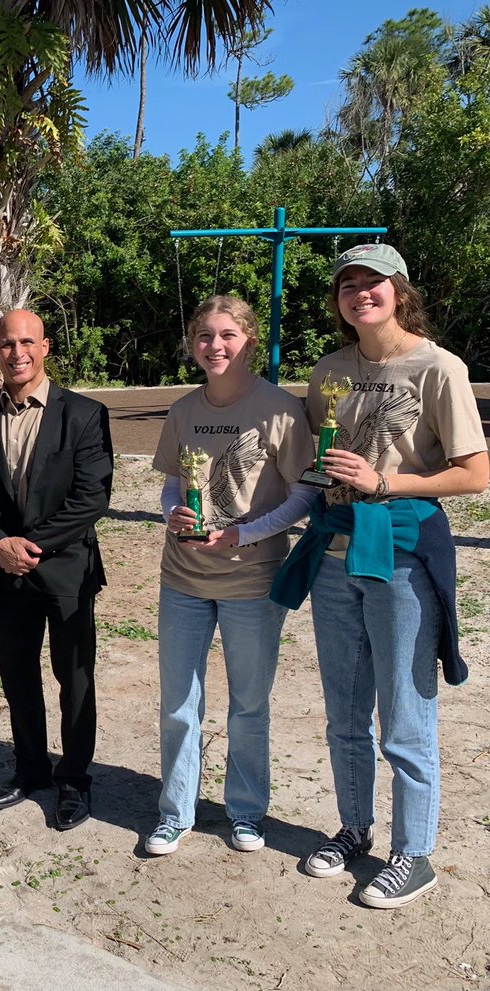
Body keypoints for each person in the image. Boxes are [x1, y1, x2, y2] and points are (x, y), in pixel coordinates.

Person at [271, 244, 488, 908]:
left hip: (399, 555)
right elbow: (313, 459)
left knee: (404, 715)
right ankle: (354, 829)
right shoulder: (329, 369)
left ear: (398, 289)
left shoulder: (438, 368)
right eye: (347, 286)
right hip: (335, 555)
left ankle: (413, 852)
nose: (359, 294)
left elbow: (475, 471)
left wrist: (384, 480)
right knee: (344, 714)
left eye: (373, 283)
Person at [144, 296, 316, 857]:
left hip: (251, 581)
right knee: (178, 703)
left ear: (247, 338)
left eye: (226, 335)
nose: (214, 346)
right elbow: (173, 480)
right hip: (184, 580)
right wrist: (172, 510)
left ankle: (245, 811)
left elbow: (305, 494)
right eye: (203, 336)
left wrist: (248, 532)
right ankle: (175, 812)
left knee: (248, 704)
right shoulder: (183, 410)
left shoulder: (280, 409)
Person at [0, 309, 113, 831]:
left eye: (26, 342)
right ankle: (29, 770)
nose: (16, 352)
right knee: (17, 679)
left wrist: (30, 546)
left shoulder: (84, 414)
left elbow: (92, 498)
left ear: (45, 347)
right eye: (5, 344)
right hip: (3, 574)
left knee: (75, 681)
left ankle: (75, 780)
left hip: (65, 572)